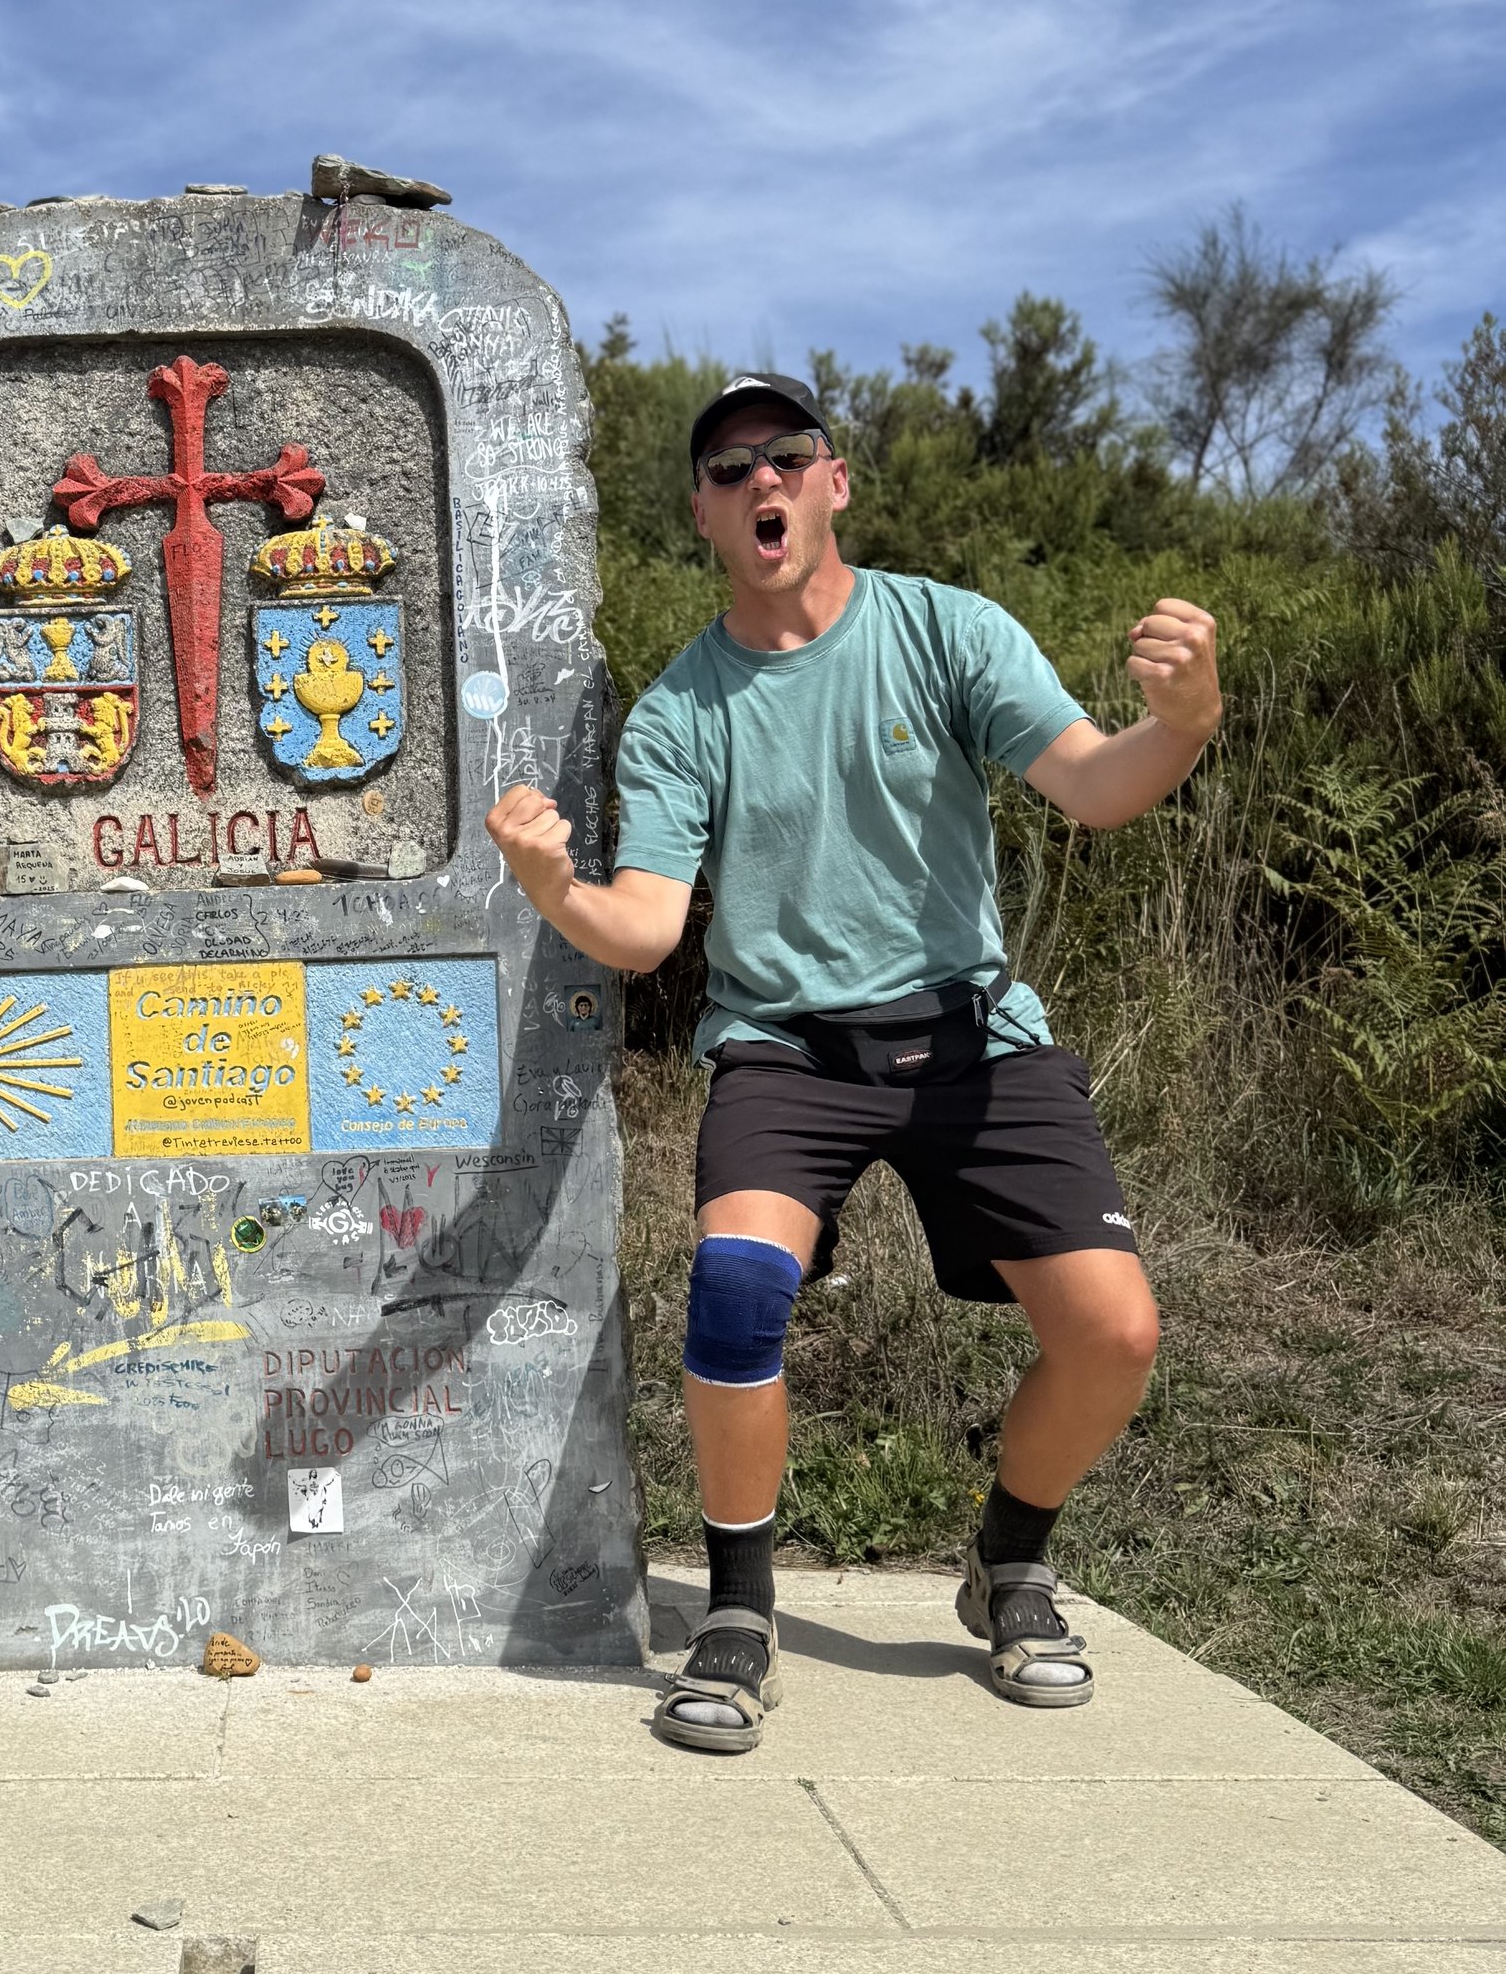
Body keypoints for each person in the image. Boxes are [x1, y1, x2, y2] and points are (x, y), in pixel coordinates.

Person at [486, 370, 1221, 1751]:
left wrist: (1180, 724)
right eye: (726, 469)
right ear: (703, 516)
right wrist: (553, 891)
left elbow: (1093, 785)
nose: (759, 479)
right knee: (735, 1281)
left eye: (786, 454)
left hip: (974, 1037)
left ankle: (1009, 1555)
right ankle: (739, 1610)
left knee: (1116, 1334)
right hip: (788, 1052)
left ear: (835, 484)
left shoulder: (947, 630)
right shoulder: (682, 711)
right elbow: (645, 929)